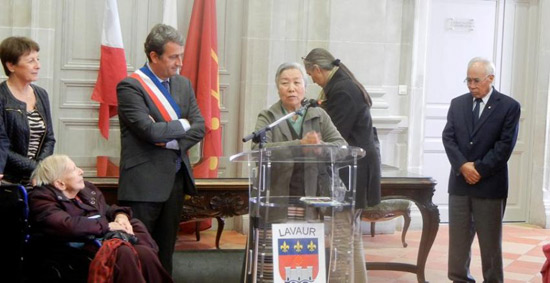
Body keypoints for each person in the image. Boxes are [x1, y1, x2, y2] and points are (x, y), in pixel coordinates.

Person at [116, 23, 205, 274]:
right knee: (139, 252)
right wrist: (182, 125)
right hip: (143, 185)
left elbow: (200, 126)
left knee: (166, 253)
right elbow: (149, 131)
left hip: (175, 180)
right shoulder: (130, 87)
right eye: (173, 56)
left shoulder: (183, 84)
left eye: (181, 55)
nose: (179, 62)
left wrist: (172, 136)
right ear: (154, 56)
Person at [28, 154, 172, 282]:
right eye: (73, 169)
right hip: (72, 249)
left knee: (145, 253)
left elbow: (108, 209)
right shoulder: (41, 198)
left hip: (102, 240)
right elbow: (66, 225)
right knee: (123, 253)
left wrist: (121, 216)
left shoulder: (86, 190)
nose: (81, 171)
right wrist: (107, 226)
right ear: (60, 183)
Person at [303, 48, 381, 283]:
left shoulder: (342, 90)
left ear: (318, 69)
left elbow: (336, 135)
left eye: (311, 75)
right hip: (355, 169)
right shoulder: (341, 85)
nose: (313, 80)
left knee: (341, 238)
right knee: (351, 235)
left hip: (351, 172)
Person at [442, 57, 520, 282]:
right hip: (459, 184)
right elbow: (449, 138)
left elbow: (504, 146)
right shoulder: (458, 104)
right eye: (468, 80)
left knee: (490, 245)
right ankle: (459, 279)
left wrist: (478, 169)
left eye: (476, 80)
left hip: (490, 186)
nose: (471, 85)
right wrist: (462, 166)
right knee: (457, 242)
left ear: (491, 79)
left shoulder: (508, 106)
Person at [0, 36, 55, 185]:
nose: (38, 65)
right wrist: (37, 168)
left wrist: (41, 170)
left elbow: (49, 138)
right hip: (8, 179)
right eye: (31, 61)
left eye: (38, 59)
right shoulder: (2, 96)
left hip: (38, 180)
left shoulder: (41, 94)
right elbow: (2, 144)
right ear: (11, 66)